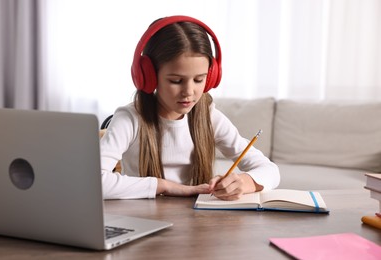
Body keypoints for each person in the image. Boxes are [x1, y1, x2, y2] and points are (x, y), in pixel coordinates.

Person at [100, 15, 280, 200]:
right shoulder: (130, 119)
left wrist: (245, 181)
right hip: (144, 219)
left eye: (199, 79)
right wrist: (165, 186)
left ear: (211, 77)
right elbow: (94, 181)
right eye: (176, 81)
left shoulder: (209, 117)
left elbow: (271, 171)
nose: (189, 91)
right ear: (149, 76)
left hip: (196, 222)